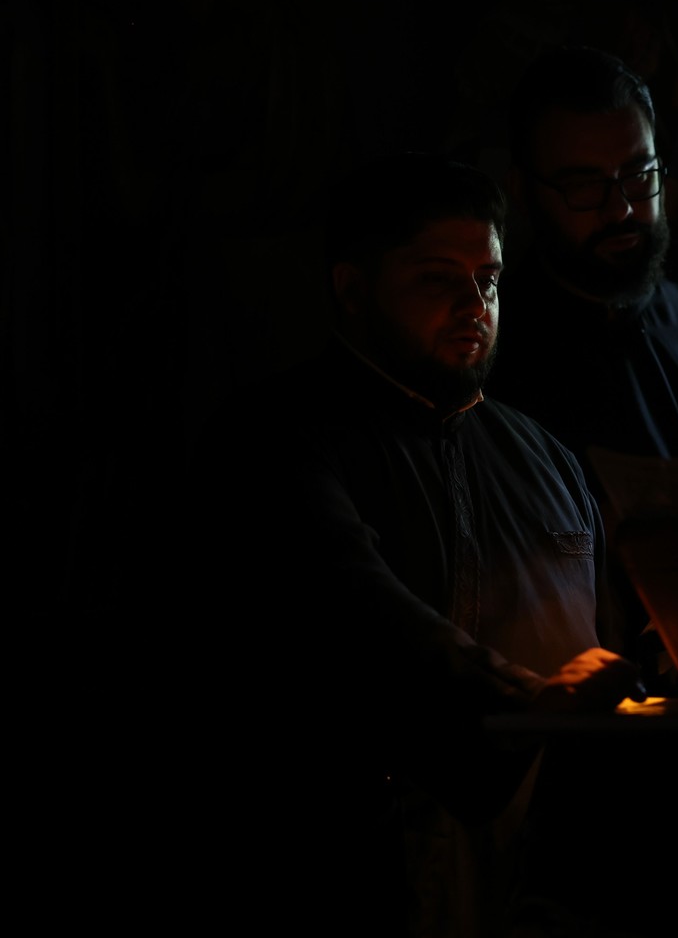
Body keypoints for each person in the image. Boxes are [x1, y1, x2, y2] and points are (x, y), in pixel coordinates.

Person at [196, 152, 643, 938]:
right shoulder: (279, 437)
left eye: (489, 280)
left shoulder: (545, 458)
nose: (474, 305)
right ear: (353, 288)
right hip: (351, 874)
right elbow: (352, 606)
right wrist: (525, 710)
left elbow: (612, 640)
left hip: (545, 876)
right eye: (438, 280)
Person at [493, 44, 678, 678]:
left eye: (639, 174)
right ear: (523, 191)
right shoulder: (492, 359)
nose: (622, 208)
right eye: (584, 186)